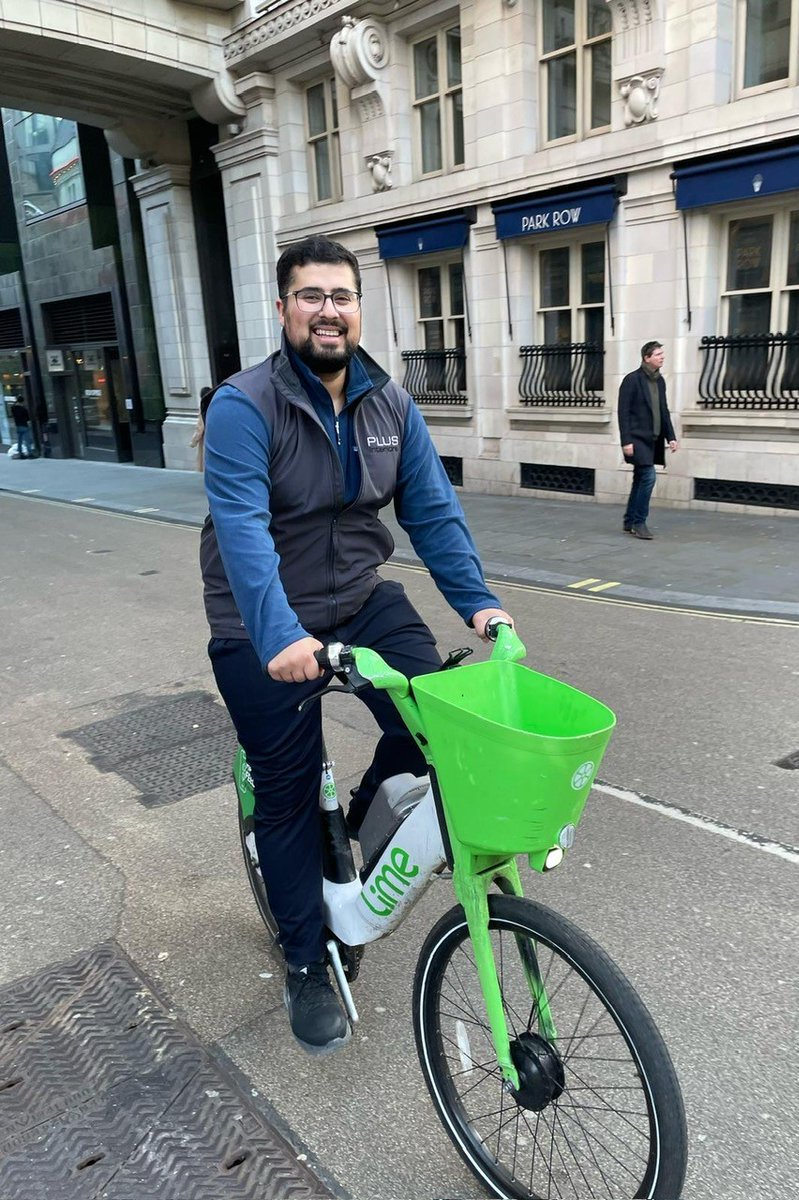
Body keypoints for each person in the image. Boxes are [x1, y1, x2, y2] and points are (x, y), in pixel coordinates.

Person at [200, 235, 512, 1057]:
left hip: (361, 599)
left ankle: (362, 841)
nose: (328, 311)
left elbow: (433, 513)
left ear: (358, 308)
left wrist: (481, 607)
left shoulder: (389, 405)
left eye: (342, 296)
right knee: (290, 789)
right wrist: (279, 638)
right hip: (260, 620)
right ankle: (307, 956)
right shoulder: (243, 406)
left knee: (436, 723)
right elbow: (242, 532)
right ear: (283, 310)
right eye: (311, 296)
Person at [617, 341, 678, 540]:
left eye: (662, 354)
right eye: (658, 354)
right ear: (647, 358)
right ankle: (639, 522)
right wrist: (626, 440)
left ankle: (629, 520)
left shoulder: (659, 381)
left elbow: (663, 410)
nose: (662, 357)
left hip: (653, 439)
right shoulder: (632, 380)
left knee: (640, 479)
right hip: (636, 438)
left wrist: (671, 437)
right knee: (649, 477)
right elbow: (623, 412)